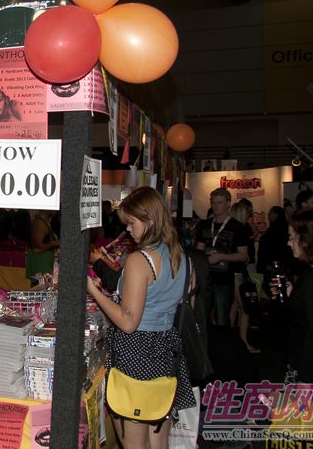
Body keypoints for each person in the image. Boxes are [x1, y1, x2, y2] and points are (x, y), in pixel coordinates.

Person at [86, 187, 195, 448]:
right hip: (166, 351)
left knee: (133, 440)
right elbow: (186, 298)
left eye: (132, 223)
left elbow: (128, 322)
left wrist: (92, 290)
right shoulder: (182, 258)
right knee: (158, 437)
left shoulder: (140, 260)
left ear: (149, 221)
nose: (128, 229)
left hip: (135, 355)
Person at [280, 209, 313, 405]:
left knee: (310, 420)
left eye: (292, 238)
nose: (289, 243)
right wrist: (297, 296)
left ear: (308, 240)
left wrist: (305, 380)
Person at [195, 188, 249, 327]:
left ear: (228, 203)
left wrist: (221, 257)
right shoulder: (204, 225)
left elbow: (243, 256)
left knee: (222, 318)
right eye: (213, 202)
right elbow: (198, 250)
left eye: (219, 202)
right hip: (205, 278)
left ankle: (223, 340)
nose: (215, 206)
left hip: (224, 280)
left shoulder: (237, 227)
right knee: (201, 317)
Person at [229, 201, 260, 353]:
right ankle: (243, 342)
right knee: (245, 308)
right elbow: (245, 257)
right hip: (236, 273)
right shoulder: (240, 230)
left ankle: (231, 338)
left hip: (233, 272)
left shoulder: (233, 230)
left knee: (234, 305)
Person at [257, 206, 290, 278]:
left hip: (274, 265)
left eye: (270, 213)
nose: (268, 216)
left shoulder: (275, 229)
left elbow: (271, 247)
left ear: (275, 214)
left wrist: (267, 264)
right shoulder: (283, 227)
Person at [26, 210, 59, 279]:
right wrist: (53, 244)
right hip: (40, 267)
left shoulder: (44, 222)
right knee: (40, 285)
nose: (56, 209)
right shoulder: (40, 224)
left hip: (44, 267)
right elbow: (36, 247)